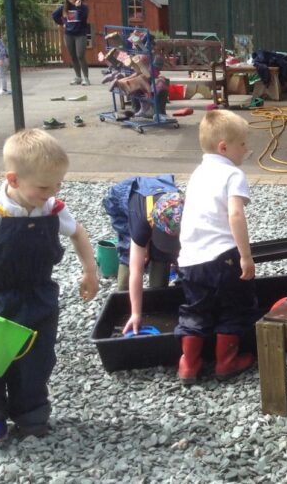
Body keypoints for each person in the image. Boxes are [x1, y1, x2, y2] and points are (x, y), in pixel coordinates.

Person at [0, 129, 98, 443]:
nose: (53, 191)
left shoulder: (51, 208)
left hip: (39, 295)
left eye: (59, 183)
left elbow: (78, 232)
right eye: (45, 186)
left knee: (37, 360)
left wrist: (90, 270)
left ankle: (31, 414)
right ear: (13, 180)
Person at [175, 110, 256, 384]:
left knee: (195, 310)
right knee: (234, 307)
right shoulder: (232, 174)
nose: (246, 150)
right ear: (224, 147)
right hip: (223, 258)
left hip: (189, 259)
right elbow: (235, 215)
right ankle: (227, 362)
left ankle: (188, 365)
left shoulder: (197, 174)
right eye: (243, 144)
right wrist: (245, 256)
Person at [102, 176, 184, 335]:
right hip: (127, 199)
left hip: (162, 196)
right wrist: (135, 314)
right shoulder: (139, 219)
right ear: (153, 225)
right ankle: (124, 297)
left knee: (162, 256)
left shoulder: (187, 213)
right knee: (129, 252)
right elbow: (136, 270)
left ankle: (158, 293)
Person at [51, 0, 90, 86]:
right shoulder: (64, 7)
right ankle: (78, 77)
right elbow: (54, 15)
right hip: (69, 34)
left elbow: (84, 18)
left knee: (80, 55)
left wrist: (78, 8)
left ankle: (86, 78)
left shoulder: (83, 7)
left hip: (80, 34)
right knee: (73, 56)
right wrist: (63, 23)